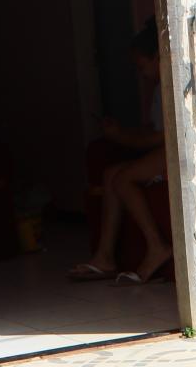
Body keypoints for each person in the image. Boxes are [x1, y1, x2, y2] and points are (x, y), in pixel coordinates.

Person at [68, 21, 171, 287]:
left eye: (142, 66)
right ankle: (105, 257)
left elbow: (162, 138)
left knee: (123, 179)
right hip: (160, 149)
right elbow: (152, 130)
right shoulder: (159, 89)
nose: (142, 73)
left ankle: (156, 246)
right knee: (111, 173)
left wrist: (121, 137)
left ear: (157, 57)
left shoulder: (169, 86)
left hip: (171, 151)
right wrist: (123, 132)